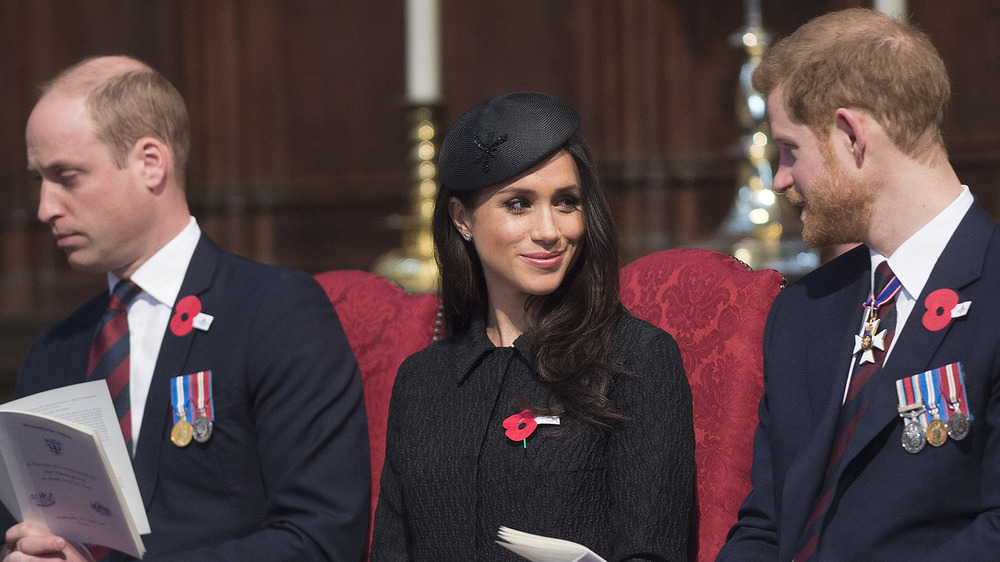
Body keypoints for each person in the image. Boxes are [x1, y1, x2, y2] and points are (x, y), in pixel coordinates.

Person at [1, 56, 370, 561]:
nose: (45, 207)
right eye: (39, 180)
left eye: (66, 176)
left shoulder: (275, 312)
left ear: (151, 162)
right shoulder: (52, 352)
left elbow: (322, 538)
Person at [718, 8, 1000, 560]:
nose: (779, 178)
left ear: (851, 135)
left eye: (790, 149)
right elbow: (764, 526)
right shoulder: (803, 309)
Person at [370, 91, 695, 560]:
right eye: (519, 204)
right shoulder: (423, 380)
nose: (549, 230)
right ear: (462, 219)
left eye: (566, 202)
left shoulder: (636, 358)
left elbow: (653, 552)